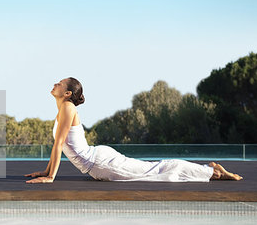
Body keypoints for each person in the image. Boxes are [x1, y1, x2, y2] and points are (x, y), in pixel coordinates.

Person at [25, 77, 243, 183]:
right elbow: (60, 145)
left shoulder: (67, 108)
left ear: (68, 94)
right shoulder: (65, 108)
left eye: (60, 83)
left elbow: (59, 144)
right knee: (153, 169)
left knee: (156, 173)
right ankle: (209, 169)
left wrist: (51, 177)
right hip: (99, 160)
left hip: (100, 163)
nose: (55, 83)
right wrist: (46, 171)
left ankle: (211, 171)